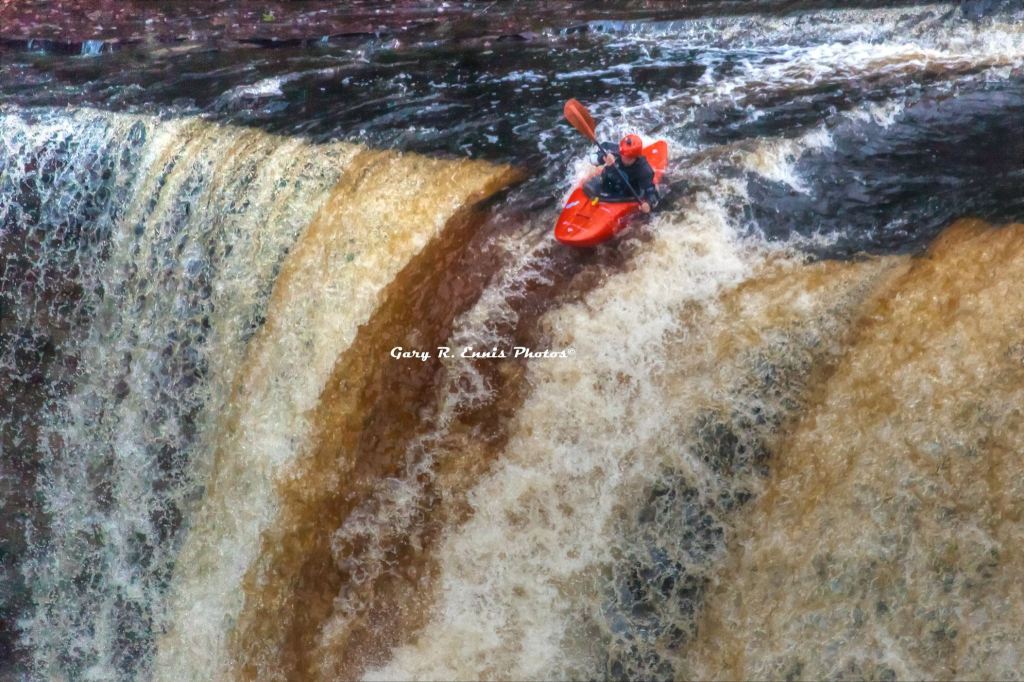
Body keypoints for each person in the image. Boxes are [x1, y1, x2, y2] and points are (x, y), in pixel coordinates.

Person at [584, 133, 658, 213]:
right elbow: (591, 159)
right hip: (606, 185)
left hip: (625, 194)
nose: (624, 158)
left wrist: (648, 204)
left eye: (628, 157)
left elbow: (652, 193)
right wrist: (602, 158)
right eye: (623, 154)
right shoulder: (615, 150)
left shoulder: (644, 170)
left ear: (636, 157)